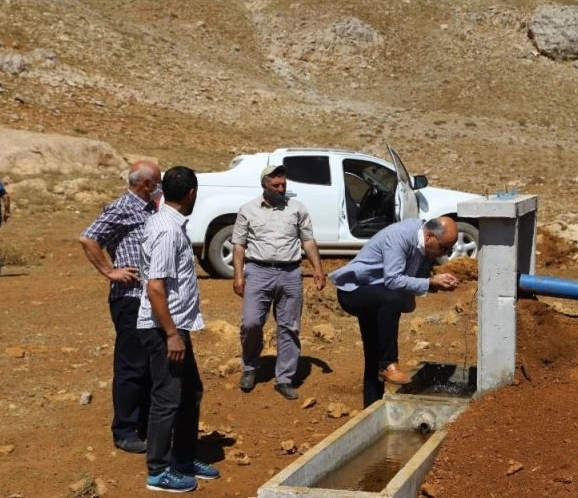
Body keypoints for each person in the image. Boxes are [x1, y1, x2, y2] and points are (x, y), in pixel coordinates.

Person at [137, 166, 219, 493]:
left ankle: (183, 458)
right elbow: (155, 287)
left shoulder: (167, 222)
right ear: (192, 194)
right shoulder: (168, 231)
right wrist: (171, 334)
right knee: (167, 398)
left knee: (191, 391)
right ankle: (158, 471)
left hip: (175, 326)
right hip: (164, 328)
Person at [329, 217, 460, 408]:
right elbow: (393, 280)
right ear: (430, 236)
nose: (445, 254)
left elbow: (415, 278)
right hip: (354, 291)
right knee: (392, 300)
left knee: (373, 351)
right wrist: (430, 282)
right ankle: (389, 364)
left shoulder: (424, 245)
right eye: (444, 248)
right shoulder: (400, 236)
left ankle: (371, 407)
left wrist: (436, 281)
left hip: (378, 297)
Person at [79, 160, 161, 454]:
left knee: (150, 364)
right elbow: (88, 237)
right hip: (129, 297)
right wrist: (110, 270)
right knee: (131, 365)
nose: (160, 186)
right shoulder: (122, 207)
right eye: (158, 181)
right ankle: (124, 430)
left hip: (150, 297)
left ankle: (144, 424)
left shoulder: (150, 207)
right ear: (146, 184)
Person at [232, 165, 326, 401]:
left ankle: (284, 378)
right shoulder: (248, 210)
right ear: (264, 184)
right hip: (258, 271)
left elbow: (308, 240)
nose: (281, 188)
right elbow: (239, 244)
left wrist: (317, 268)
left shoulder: (297, 209)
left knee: (289, 327)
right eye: (276, 185)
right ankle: (250, 368)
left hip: (290, 273)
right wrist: (238, 275)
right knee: (251, 323)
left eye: (284, 184)